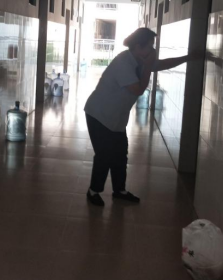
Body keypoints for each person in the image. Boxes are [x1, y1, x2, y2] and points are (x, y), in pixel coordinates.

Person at [84, 27, 204, 207]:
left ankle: (119, 190)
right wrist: (148, 65)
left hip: (115, 117)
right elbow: (138, 89)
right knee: (104, 154)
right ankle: (93, 191)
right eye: (150, 46)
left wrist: (188, 58)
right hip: (99, 114)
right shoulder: (124, 62)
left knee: (120, 154)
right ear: (138, 47)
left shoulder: (139, 60)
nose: (153, 50)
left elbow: (162, 64)